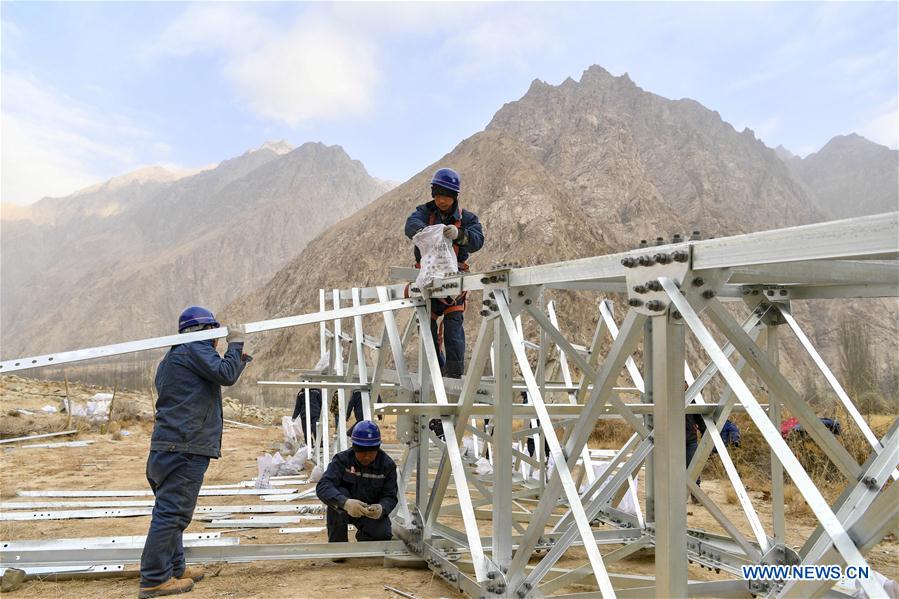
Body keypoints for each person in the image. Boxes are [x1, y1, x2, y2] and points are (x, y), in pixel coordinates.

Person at [139, 306, 250, 598]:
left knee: (170, 511)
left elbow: (219, 373)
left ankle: (175, 569)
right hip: (184, 447)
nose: (216, 342)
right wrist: (236, 344)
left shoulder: (173, 357)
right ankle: (154, 579)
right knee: (172, 514)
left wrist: (239, 358)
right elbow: (225, 374)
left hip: (167, 448)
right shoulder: (194, 349)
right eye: (215, 333)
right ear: (207, 331)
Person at [404, 167, 484, 379]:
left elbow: (477, 240)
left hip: (453, 281)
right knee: (427, 330)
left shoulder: (467, 219)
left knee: (453, 329)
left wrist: (460, 235)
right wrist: (426, 233)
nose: (441, 201)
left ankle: (454, 377)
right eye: (438, 196)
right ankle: (435, 374)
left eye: (446, 197)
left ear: (454, 197)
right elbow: (411, 225)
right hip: (428, 279)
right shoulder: (424, 213)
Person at [316, 420, 398, 544]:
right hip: (344, 509)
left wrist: (381, 508)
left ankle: (365, 542)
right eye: (362, 452)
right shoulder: (342, 460)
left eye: (371, 453)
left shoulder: (387, 465)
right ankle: (338, 546)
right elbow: (323, 486)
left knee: (382, 535)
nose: (366, 457)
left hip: (368, 512)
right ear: (354, 447)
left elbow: (390, 496)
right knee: (336, 497)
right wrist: (345, 503)